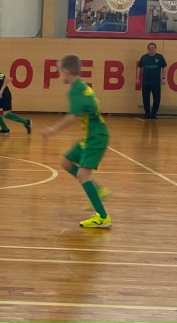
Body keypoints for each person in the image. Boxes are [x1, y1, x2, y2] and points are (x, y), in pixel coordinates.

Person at [41, 54, 112, 228]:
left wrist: (52, 130)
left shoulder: (75, 90)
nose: (59, 75)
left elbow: (72, 117)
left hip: (96, 138)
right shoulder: (81, 86)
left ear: (66, 71)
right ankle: (98, 190)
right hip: (90, 136)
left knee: (82, 175)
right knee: (66, 162)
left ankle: (103, 217)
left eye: (59, 71)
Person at [136, 42, 167, 119]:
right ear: (147, 49)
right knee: (145, 98)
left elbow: (164, 67)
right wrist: (137, 78)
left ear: (155, 49)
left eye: (153, 48)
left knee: (157, 98)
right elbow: (139, 67)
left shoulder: (160, 57)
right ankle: (147, 113)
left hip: (156, 82)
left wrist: (163, 78)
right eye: (149, 48)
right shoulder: (144, 57)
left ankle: (153, 114)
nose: (151, 49)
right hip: (145, 82)